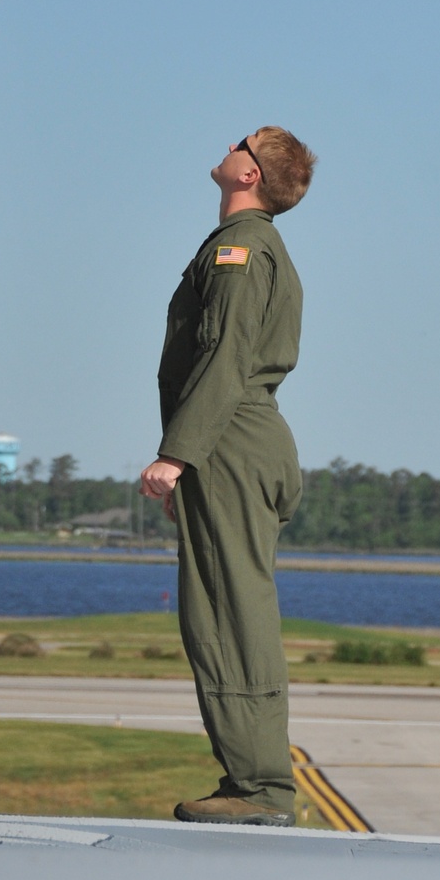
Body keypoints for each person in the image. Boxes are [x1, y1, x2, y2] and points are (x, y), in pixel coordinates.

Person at [140, 126, 316, 826]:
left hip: (230, 443)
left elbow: (224, 359)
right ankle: (251, 780)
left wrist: (177, 453)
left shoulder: (242, 251)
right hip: (236, 443)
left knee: (229, 614)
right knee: (222, 610)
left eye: (240, 141)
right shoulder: (246, 246)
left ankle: (259, 788)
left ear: (249, 174)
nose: (228, 145)